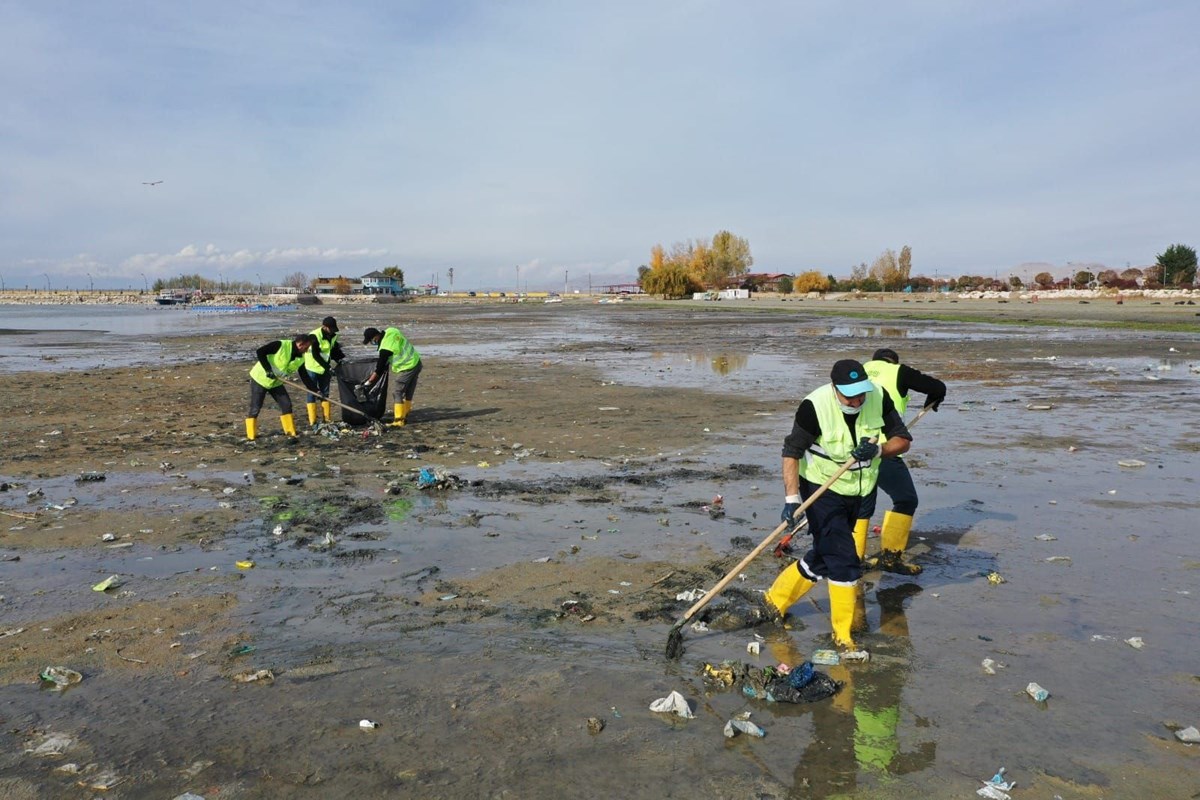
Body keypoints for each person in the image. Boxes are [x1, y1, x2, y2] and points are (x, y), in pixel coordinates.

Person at [760, 359, 911, 654]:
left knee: (827, 552)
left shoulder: (878, 396)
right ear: (834, 388)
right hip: (820, 487)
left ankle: (774, 601)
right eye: (849, 395)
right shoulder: (814, 406)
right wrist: (792, 499)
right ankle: (842, 636)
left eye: (861, 393)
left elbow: (903, 440)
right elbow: (791, 451)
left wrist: (880, 449)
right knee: (844, 560)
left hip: (861, 488)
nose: (857, 400)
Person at [857, 348, 946, 575]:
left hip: (852, 450)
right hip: (884, 449)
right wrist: (933, 400)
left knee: (861, 504)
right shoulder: (899, 372)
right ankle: (891, 559)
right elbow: (937, 387)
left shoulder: (859, 370)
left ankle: (853, 560)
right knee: (906, 500)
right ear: (893, 361)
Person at [245, 333, 318, 441]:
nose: (307, 350)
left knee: (286, 404)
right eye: (306, 347)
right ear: (300, 344)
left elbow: (305, 376)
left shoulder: (300, 358)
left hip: (276, 383)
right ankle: (251, 436)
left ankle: (290, 432)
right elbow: (260, 352)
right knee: (255, 408)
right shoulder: (281, 345)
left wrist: (316, 390)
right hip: (260, 379)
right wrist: (268, 370)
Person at [362, 326, 422, 427]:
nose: (373, 342)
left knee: (397, 391)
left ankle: (399, 420)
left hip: (407, 366)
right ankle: (405, 413)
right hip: (416, 361)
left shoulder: (385, 348)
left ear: (375, 337)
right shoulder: (391, 331)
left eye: (371, 340)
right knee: (408, 390)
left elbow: (379, 368)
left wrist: (369, 382)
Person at [302, 316, 346, 426]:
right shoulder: (314, 336)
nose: (332, 331)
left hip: (325, 368)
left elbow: (334, 350)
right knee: (312, 393)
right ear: (324, 327)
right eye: (330, 328)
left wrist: (341, 359)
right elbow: (315, 355)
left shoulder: (333, 336)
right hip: (312, 367)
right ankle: (313, 420)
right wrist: (328, 368)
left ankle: (327, 419)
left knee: (325, 393)